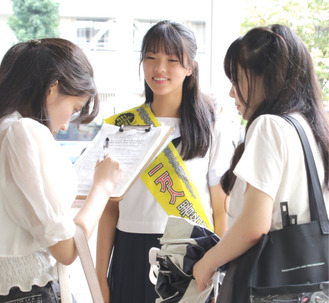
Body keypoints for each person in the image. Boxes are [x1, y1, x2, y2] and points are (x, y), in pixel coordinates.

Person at [96, 20, 234, 303]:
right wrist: (99, 275)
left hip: (191, 256)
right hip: (130, 252)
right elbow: (109, 209)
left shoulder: (211, 127)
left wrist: (218, 269)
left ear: (190, 67)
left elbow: (221, 210)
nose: (159, 69)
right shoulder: (121, 127)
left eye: (172, 60)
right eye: (151, 58)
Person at [192, 24, 329, 298]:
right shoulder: (311, 127)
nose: (232, 93)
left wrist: (207, 263)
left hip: (266, 285)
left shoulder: (268, 125)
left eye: (237, 81)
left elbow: (254, 227)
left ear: (267, 77)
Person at [0, 38, 122, 302]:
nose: (67, 125)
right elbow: (66, 249)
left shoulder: (7, 127)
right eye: (74, 108)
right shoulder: (24, 132)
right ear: (52, 88)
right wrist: (103, 187)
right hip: (27, 293)